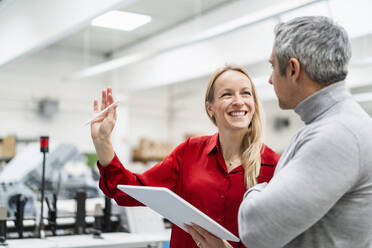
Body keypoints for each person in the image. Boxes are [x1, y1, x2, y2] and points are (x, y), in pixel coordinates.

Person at [90, 65, 280, 248]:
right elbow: (128, 191)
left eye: (245, 93)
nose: (238, 101)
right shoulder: (189, 152)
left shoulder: (273, 166)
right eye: (227, 94)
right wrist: (102, 141)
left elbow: (282, 237)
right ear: (210, 108)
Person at [238, 16, 372, 248]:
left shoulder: (339, 134)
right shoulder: (331, 125)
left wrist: (259, 189)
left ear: (292, 69)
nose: (270, 80)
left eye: (273, 67)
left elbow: (255, 229)